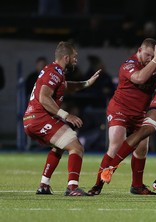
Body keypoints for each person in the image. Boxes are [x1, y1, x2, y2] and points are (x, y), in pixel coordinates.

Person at [88, 38, 156, 196]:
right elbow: (139, 78)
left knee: (141, 149)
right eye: (146, 55)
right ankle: (97, 185)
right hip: (121, 109)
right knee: (116, 143)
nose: (149, 58)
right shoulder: (129, 64)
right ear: (139, 51)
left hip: (140, 112)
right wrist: (155, 58)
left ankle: (137, 185)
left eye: (151, 55)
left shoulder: (155, 63)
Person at [23, 41, 101, 196]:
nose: (76, 59)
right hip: (40, 118)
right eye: (74, 56)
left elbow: (66, 86)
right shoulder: (55, 71)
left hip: (31, 120)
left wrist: (86, 83)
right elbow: (44, 98)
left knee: (59, 146)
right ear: (66, 57)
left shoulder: (53, 70)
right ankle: (72, 187)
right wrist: (67, 115)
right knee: (76, 147)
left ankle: (44, 185)